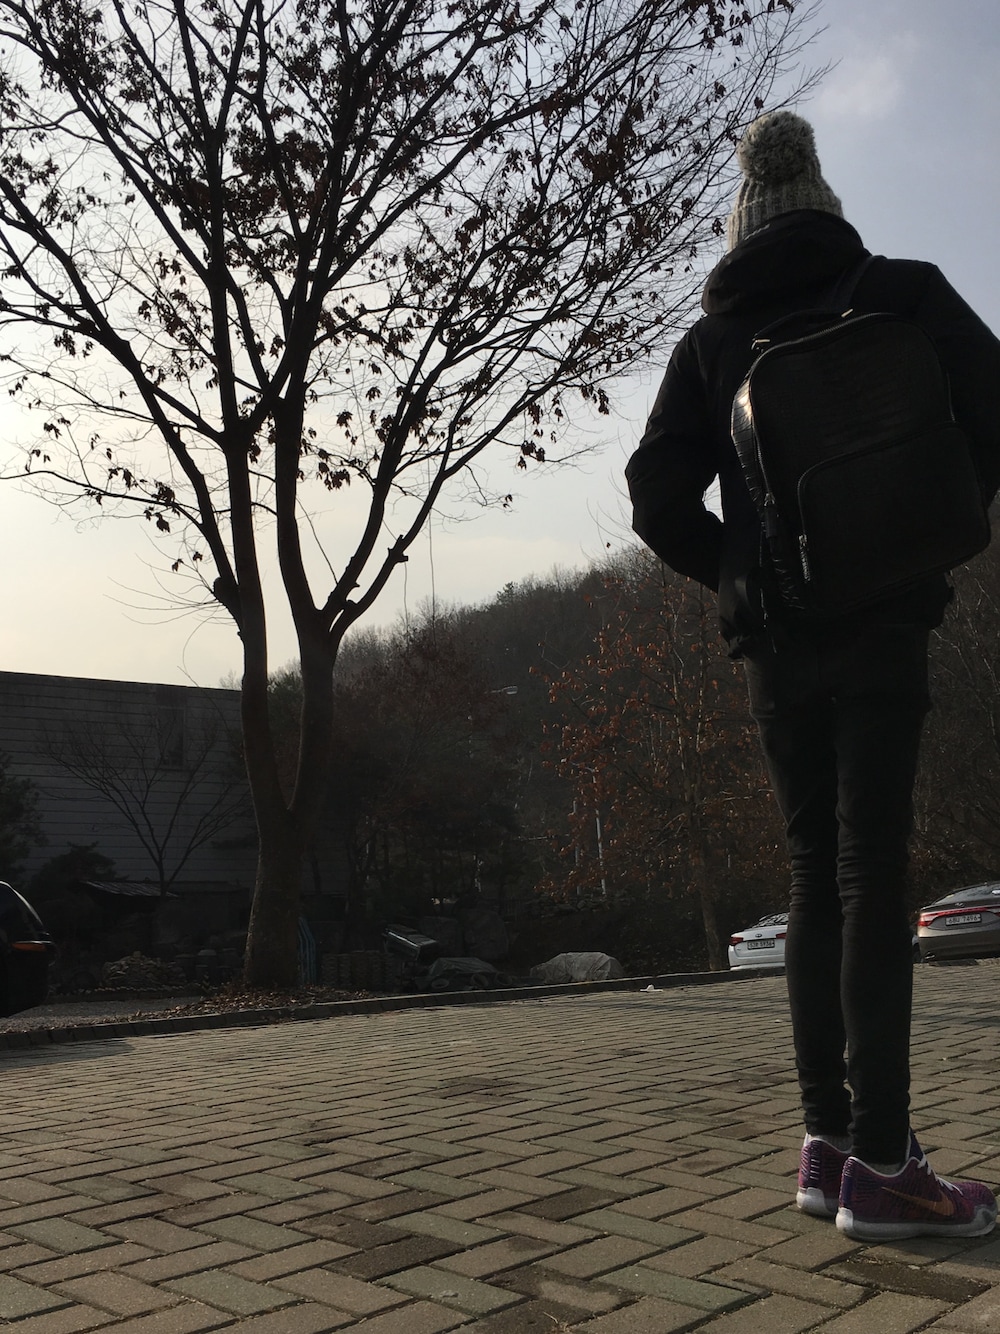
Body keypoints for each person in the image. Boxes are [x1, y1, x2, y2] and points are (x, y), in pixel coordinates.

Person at [625, 110, 1000, 1242]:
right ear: (825, 203)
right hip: (883, 622)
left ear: (741, 223)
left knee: (811, 876)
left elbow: (653, 496)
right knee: (871, 867)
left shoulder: (712, 342)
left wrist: (742, 576)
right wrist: (933, 529)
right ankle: (886, 1165)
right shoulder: (901, 291)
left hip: (778, 647)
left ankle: (829, 1144)